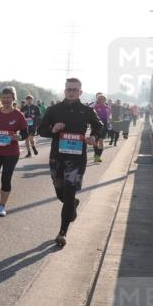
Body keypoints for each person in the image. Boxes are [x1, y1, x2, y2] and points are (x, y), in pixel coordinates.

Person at [38, 78, 104, 248]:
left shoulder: (86, 111)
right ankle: (72, 204)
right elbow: (41, 130)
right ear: (64, 90)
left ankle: (62, 232)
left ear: (80, 92)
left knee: (68, 193)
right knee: (61, 194)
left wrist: (94, 137)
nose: (71, 92)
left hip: (76, 159)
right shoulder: (54, 110)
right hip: (57, 157)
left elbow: (99, 126)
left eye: (75, 89)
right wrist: (53, 130)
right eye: (69, 89)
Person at [0, 87, 28, 216]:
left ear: (13, 98)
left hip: (11, 152)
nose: (6, 100)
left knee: (6, 178)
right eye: (3, 97)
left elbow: (25, 133)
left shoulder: (18, 115)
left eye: (8, 97)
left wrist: (18, 137)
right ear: (0, 98)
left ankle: (2, 206)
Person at [92, 93, 111, 164]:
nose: (101, 100)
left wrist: (109, 123)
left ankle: (97, 156)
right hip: (96, 126)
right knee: (95, 141)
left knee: (101, 141)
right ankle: (96, 154)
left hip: (104, 126)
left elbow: (108, 117)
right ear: (98, 100)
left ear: (105, 100)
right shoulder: (95, 107)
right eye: (99, 99)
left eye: (103, 99)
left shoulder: (108, 107)